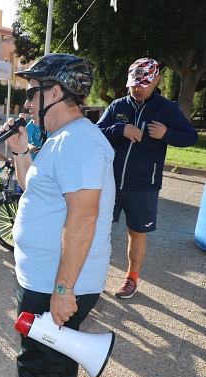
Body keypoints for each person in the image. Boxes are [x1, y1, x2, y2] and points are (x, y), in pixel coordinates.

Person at [0, 53, 115, 377]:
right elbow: (34, 190)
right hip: (49, 277)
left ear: (55, 92)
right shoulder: (62, 140)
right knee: (59, 358)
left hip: (55, 282)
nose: (28, 104)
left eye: (33, 93)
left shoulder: (78, 142)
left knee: (38, 370)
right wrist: (20, 150)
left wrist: (62, 289)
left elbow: (84, 216)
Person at [96, 58, 198, 299]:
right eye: (134, 84)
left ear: (157, 80)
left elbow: (190, 137)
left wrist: (167, 133)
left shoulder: (167, 109)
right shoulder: (118, 106)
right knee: (99, 229)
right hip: (109, 182)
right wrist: (120, 129)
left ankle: (131, 278)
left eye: (144, 83)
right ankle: (93, 274)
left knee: (136, 232)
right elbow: (97, 132)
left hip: (143, 186)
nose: (138, 88)